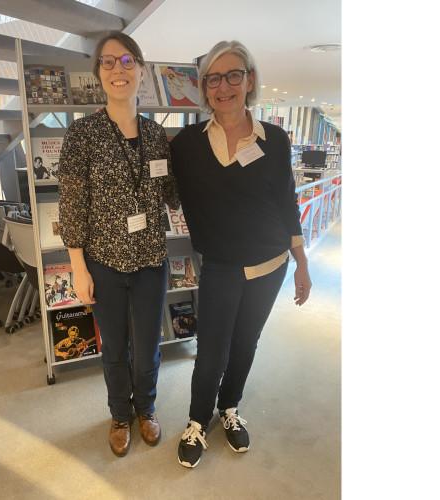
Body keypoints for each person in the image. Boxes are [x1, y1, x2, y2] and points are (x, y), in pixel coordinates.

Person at [170, 40, 313, 468]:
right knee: (212, 348)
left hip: (271, 263)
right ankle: (197, 421)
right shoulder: (186, 144)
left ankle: (229, 409)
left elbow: (287, 202)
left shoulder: (275, 139)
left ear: (249, 80)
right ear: (205, 88)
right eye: (214, 78)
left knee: (246, 343)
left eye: (234, 75)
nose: (224, 86)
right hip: (220, 265)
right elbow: (163, 190)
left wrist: (301, 260)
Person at [58, 32, 179, 457]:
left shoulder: (157, 136)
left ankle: (145, 409)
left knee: (148, 345)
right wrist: (78, 267)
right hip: (104, 262)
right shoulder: (82, 135)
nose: (118, 69)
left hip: (150, 260)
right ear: (99, 75)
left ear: (141, 71)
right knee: (115, 347)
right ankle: (119, 415)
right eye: (108, 62)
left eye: (127, 61)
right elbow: (71, 205)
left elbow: (175, 193)